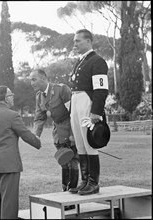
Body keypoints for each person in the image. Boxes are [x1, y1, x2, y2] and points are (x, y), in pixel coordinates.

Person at [0, 85, 42, 219]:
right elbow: (25, 134)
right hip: (9, 165)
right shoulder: (12, 115)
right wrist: (37, 142)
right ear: (6, 99)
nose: (13, 97)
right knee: (9, 202)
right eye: (11, 95)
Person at [68, 29, 109, 195]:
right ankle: (84, 181)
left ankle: (93, 182)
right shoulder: (79, 61)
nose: (75, 44)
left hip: (87, 102)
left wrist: (95, 112)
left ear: (88, 41)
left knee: (89, 143)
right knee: (80, 143)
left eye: (78, 41)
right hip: (76, 100)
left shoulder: (97, 61)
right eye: (75, 41)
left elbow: (101, 89)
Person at [29, 69, 79, 198]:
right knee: (63, 161)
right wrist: (36, 135)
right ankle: (65, 191)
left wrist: (73, 134)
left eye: (34, 79)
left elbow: (73, 112)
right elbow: (39, 118)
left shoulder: (61, 89)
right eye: (30, 80)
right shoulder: (39, 96)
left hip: (70, 128)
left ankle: (72, 191)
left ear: (44, 78)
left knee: (72, 161)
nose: (31, 83)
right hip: (58, 133)